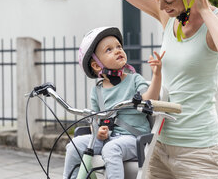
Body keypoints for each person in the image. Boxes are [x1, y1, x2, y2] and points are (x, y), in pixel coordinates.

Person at [107, 0, 218, 178]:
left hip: (200, 152)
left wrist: (205, 9)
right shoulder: (169, 18)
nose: (161, 6)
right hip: (160, 145)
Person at [63, 26, 164, 179]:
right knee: (74, 145)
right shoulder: (97, 90)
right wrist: (97, 131)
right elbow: (95, 119)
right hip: (109, 137)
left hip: (134, 138)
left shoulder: (135, 79)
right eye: (109, 50)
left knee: (111, 149)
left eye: (118, 46)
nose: (117, 50)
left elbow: (149, 99)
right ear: (97, 66)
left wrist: (157, 75)